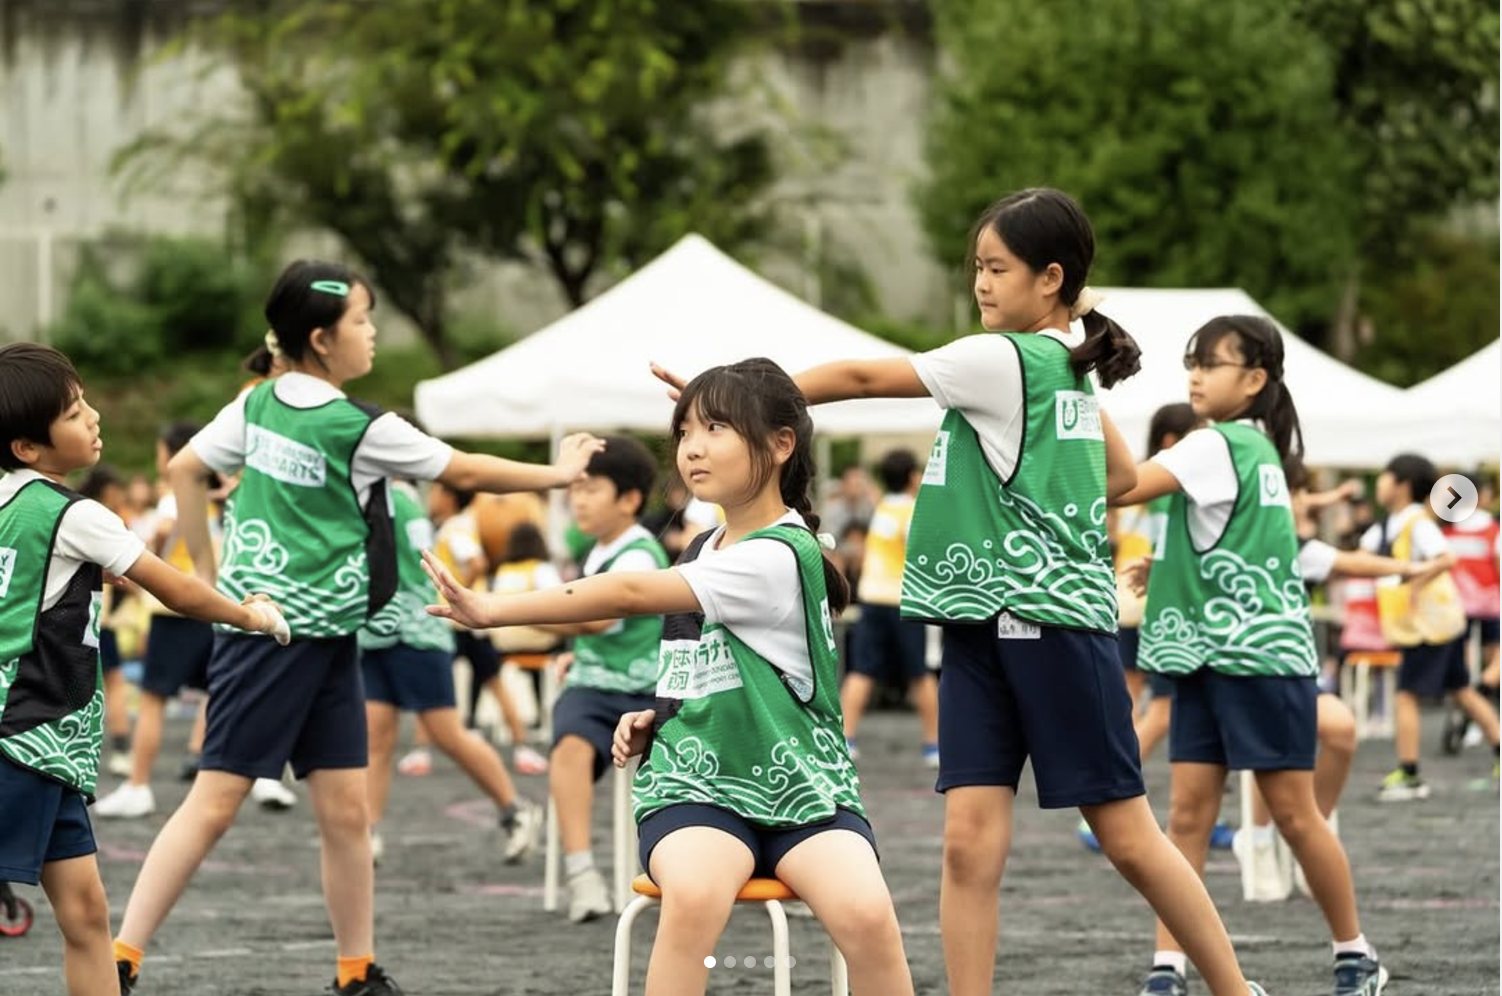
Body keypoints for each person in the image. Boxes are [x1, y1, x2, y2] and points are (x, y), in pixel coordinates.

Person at [666, 188, 1267, 996]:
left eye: (996, 268)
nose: (980, 283)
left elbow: (856, 373)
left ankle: (1234, 989)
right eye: (976, 267)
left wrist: (736, 404)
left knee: (1128, 837)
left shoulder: (1006, 359)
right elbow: (1121, 479)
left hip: (1052, 629)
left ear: (1050, 279)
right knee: (966, 845)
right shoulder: (1058, 371)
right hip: (980, 630)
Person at [110, 259, 603, 996]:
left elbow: (183, 470)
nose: (372, 333)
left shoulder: (259, 402)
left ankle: (354, 972)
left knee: (344, 806)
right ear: (322, 339)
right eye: (363, 321)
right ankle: (119, 961)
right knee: (215, 800)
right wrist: (559, 476)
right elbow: (464, 467)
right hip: (273, 641)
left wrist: (212, 574)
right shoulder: (357, 426)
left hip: (326, 639)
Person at [426, 358, 915, 996]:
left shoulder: (776, 554)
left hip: (805, 792)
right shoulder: (701, 547)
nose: (692, 448)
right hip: (697, 787)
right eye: (684, 431)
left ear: (780, 444)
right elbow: (699, 668)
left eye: (715, 428)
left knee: (868, 914)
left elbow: (627, 591)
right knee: (694, 896)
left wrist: (493, 609)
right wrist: (661, 714)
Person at [0, 343, 288, 996]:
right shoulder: (74, 514)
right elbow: (177, 590)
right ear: (27, 447)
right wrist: (247, 615)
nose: (94, 417)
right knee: (81, 915)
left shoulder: (10, 505)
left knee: (87, 913)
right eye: (74, 412)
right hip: (23, 736)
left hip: (47, 747)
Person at [1117, 314, 1385, 996]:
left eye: (1212, 362)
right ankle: (1168, 967)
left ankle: (1356, 954)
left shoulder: (1216, 445)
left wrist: (1069, 389)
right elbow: (1239, 545)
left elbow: (1117, 485)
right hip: (1219, 654)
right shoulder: (1257, 449)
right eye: (1192, 363)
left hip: (1253, 656)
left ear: (1256, 378)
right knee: (1196, 815)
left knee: (1284, 814)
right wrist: (1169, 563)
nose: (1197, 375)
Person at [360, 479, 542, 867]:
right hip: (375, 635)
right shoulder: (385, 497)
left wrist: (460, 598)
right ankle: (367, 832)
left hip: (414, 631)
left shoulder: (397, 501)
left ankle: (515, 810)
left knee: (447, 733)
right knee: (376, 734)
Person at [540, 436, 669, 923]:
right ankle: (582, 874)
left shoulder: (637, 551)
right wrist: (578, 656)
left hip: (647, 690)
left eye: (591, 488)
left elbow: (597, 617)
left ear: (630, 499)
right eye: (574, 489)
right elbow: (596, 632)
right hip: (595, 687)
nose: (578, 499)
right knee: (568, 746)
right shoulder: (597, 551)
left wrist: (515, 615)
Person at [94, 422, 220, 820]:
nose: (158, 459)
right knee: (216, 689)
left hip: (174, 607)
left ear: (174, 452)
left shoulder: (176, 493)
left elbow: (165, 529)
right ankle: (207, 760)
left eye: (160, 451)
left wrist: (151, 553)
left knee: (152, 699)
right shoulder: (217, 492)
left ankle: (138, 785)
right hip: (212, 603)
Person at [1360, 453, 1501, 800]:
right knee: (1461, 689)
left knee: (1406, 694)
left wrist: (1416, 584)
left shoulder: (1417, 523)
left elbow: (1446, 558)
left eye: (1385, 477)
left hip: (1429, 626)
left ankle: (1409, 773)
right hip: (1430, 625)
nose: (1379, 484)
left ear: (1402, 485)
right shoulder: (1389, 524)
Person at [839, 448, 939, 767]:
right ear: (912, 477)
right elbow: (923, 551)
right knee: (920, 675)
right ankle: (933, 745)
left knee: (861, 672)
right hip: (901, 601)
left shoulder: (882, 507)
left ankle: (845, 738)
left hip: (871, 599)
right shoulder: (913, 510)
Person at [76, 465, 136, 779]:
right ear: (108, 490)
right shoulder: (101, 520)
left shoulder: (68, 510)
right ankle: (122, 748)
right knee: (113, 683)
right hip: (95, 620)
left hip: (82, 619)